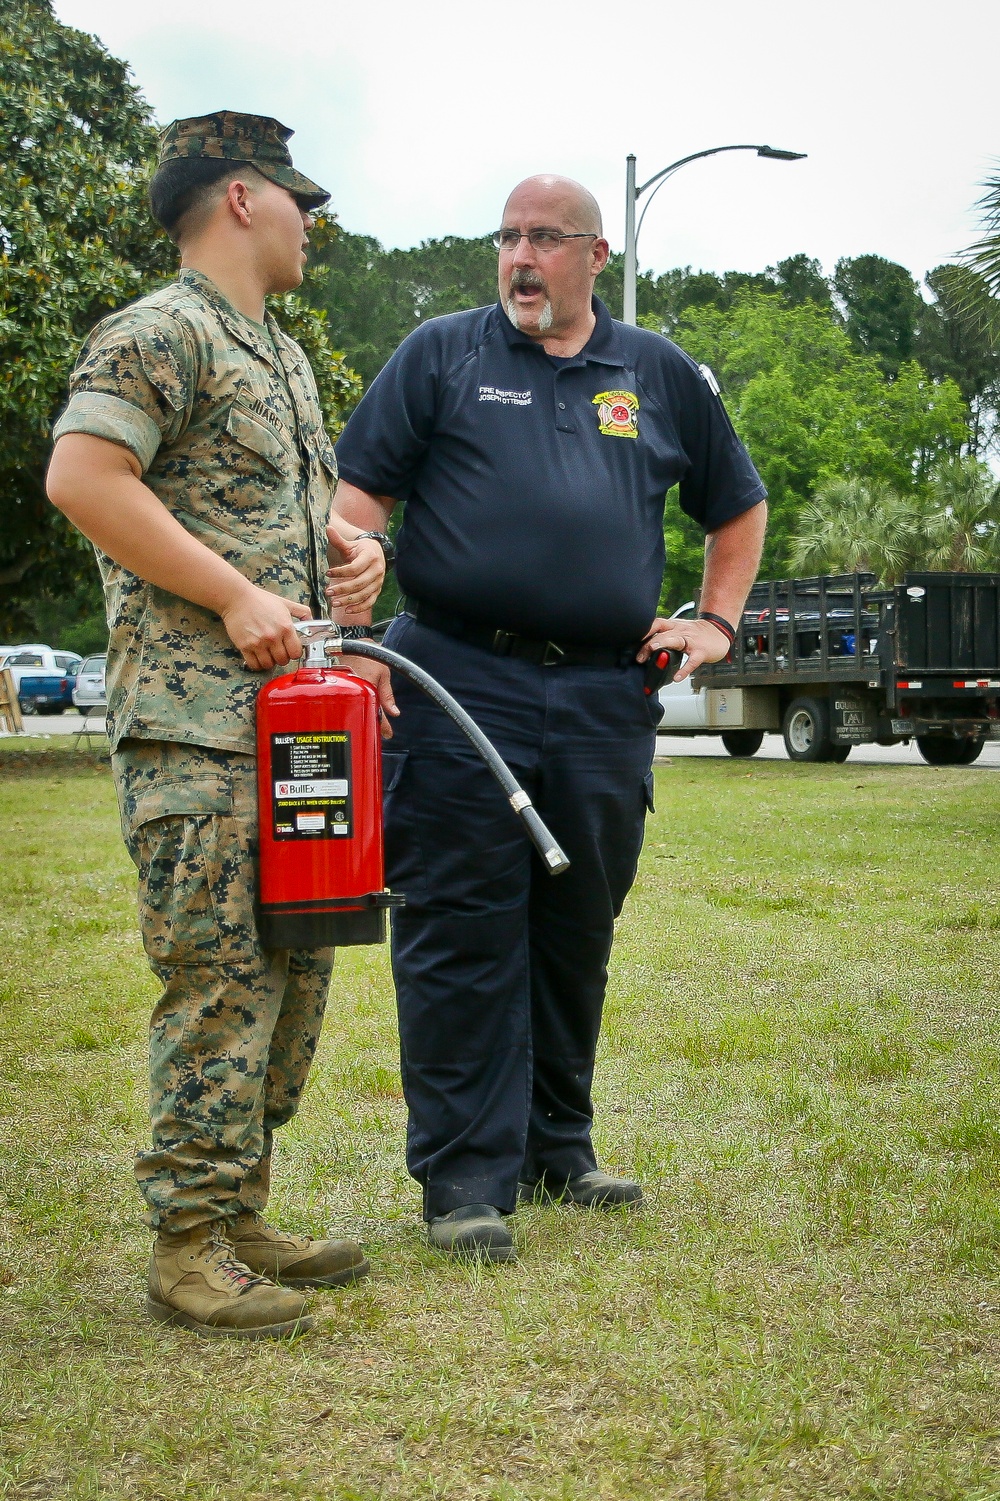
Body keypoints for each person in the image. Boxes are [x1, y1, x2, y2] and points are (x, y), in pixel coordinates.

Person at [330, 174, 768, 1262]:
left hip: (602, 693)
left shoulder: (657, 374)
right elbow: (352, 498)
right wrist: (354, 583)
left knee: (578, 926)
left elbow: (737, 503)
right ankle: (465, 1180)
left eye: (544, 238)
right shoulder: (443, 355)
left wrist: (714, 622)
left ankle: (555, 1146)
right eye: (507, 237)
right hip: (457, 677)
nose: (519, 256)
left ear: (592, 256)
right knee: (459, 929)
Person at [46, 112, 392, 1338]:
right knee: (218, 978)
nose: (313, 222)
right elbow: (85, 480)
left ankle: (241, 1208)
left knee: (296, 966)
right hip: (196, 732)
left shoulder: (279, 356)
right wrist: (239, 594)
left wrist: (347, 558)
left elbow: (279, 518)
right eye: (298, 198)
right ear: (242, 198)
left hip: (296, 723)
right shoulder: (158, 330)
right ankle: (185, 1241)